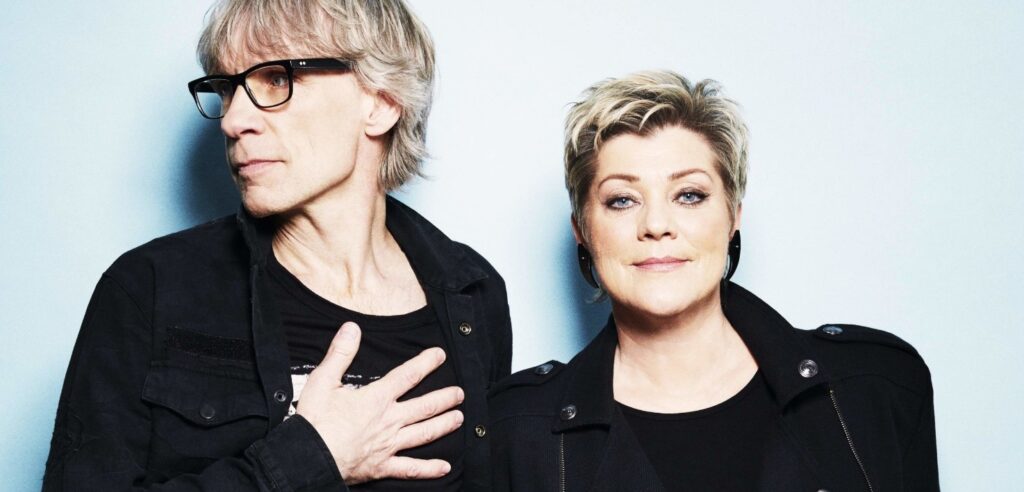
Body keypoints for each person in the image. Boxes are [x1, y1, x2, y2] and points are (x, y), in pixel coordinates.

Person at [43, 1, 511, 490]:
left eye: (275, 79)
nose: (232, 120)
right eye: (228, 89)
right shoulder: (151, 288)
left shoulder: (473, 294)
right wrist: (309, 458)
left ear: (380, 102)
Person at [488, 71, 938, 491]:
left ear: (733, 216)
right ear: (583, 231)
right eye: (622, 200)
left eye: (689, 195)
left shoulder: (877, 385)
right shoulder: (516, 431)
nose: (657, 225)